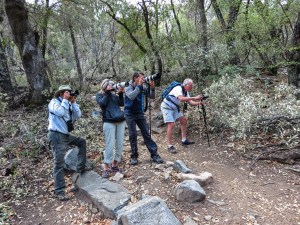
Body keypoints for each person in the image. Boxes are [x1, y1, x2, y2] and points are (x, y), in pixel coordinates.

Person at [48, 85, 88, 201]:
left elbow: (78, 115)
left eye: (69, 92)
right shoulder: (54, 102)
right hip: (56, 135)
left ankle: (80, 168)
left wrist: (73, 103)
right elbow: (60, 112)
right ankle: (59, 191)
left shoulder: (68, 104)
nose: (69, 94)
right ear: (61, 93)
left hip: (65, 135)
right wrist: (65, 101)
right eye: (66, 92)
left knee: (81, 142)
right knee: (59, 163)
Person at [124, 72, 164, 165]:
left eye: (144, 78)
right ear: (135, 78)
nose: (143, 79)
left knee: (146, 133)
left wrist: (152, 87)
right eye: (141, 78)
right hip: (129, 113)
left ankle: (154, 155)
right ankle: (134, 156)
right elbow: (132, 96)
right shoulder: (127, 86)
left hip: (139, 113)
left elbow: (152, 96)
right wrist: (139, 86)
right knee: (133, 135)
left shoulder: (143, 87)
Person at [160, 78, 203, 154]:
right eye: (190, 86)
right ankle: (170, 146)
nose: (191, 87)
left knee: (183, 120)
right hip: (166, 107)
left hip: (174, 108)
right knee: (171, 124)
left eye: (192, 86)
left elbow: (191, 103)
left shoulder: (186, 92)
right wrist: (194, 97)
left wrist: (199, 103)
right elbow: (181, 98)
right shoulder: (178, 88)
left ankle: (184, 140)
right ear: (185, 85)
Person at [96, 79, 126, 178]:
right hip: (109, 122)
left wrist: (121, 93)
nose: (112, 86)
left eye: (113, 85)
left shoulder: (114, 95)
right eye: (110, 85)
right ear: (104, 85)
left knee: (120, 144)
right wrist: (107, 92)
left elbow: (121, 103)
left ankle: (114, 165)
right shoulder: (99, 95)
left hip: (120, 121)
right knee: (110, 145)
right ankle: (106, 167)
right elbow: (103, 104)